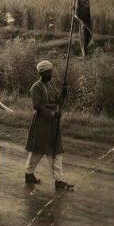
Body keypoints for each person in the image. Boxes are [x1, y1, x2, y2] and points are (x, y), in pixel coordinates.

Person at [25, 60, 74, 190]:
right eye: (49, 72)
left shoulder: (50, 85)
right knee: (38, 151)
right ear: (43, 73)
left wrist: (64, 92)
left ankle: (58, 180)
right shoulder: (36, 87)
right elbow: (37, 106)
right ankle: (30, 174)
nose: (51, 74)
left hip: (53, 124)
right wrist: (52, 114)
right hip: (42, 123)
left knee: (55, 152)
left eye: (51, 72)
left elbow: (58, 102)